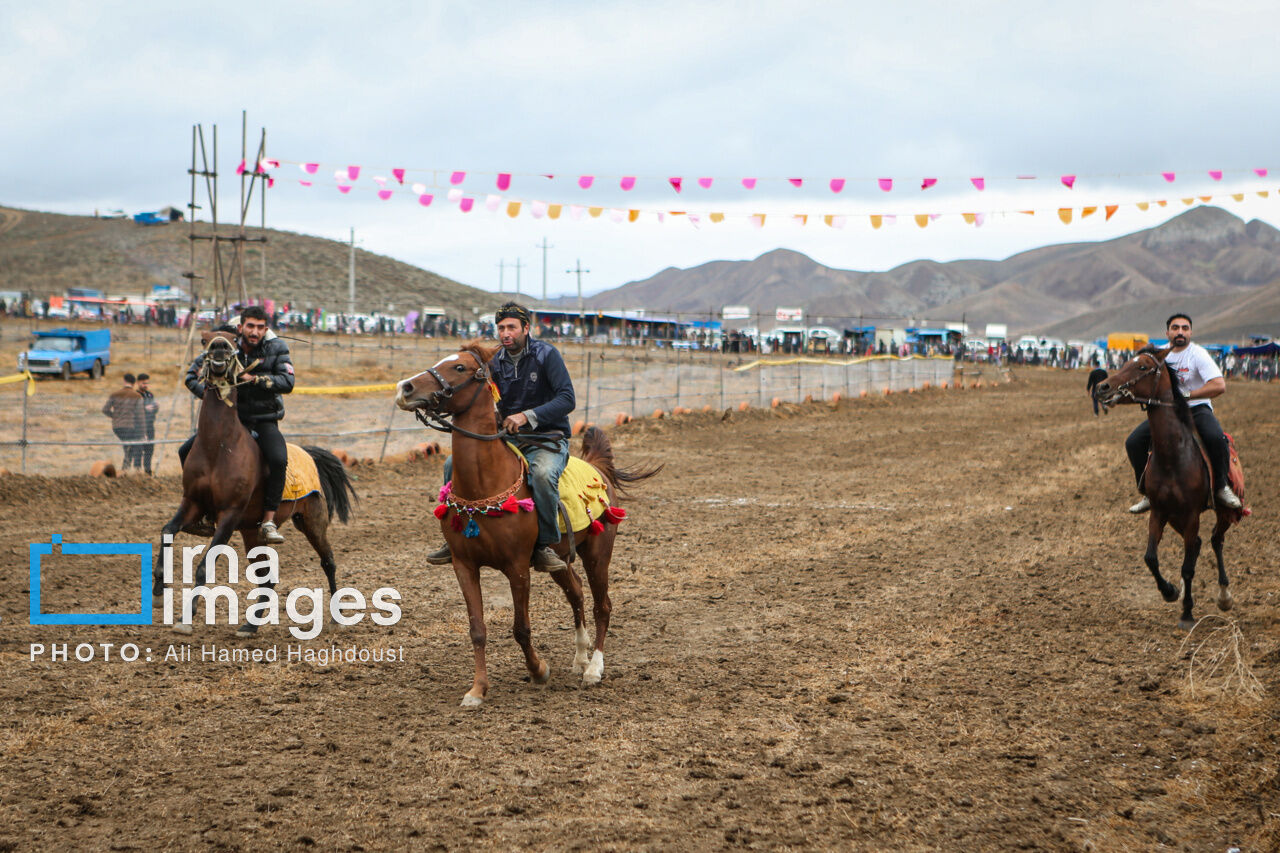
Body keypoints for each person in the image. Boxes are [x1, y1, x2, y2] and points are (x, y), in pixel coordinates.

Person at [427, 301, 575, 572]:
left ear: (526, 328)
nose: (506, 333)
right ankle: (454, 538)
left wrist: (526, 416)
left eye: (511, 327)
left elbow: (567, 398)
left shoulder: (546, 355)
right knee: (451, 465)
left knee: (542, 475)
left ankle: (543, 545)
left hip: (547, 439)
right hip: (507, 438)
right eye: (501, 328)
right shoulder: (494, 361)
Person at [178, 306, 295, 543]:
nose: (255, 331)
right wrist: (213, 398)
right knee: (184, 450)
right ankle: (199, 510)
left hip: (264, 419)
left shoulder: (277, 348)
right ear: (241, 327)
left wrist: (256, 379)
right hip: (231, 421)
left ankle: (269, 520)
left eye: (260, 327)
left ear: (266, 329)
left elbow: (288, 381)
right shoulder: (225, 345)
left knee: (278, 458)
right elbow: (191, 377)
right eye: (250, 326)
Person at [1125, 313, 1242, 514]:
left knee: (1216, 437)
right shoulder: (1159, 356)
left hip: (1197, 408)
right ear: (1167, 332)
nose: (1180, 332)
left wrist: (1187, 394)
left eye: (1185, 328)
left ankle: (1222, 487)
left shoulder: (1198, 354)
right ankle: (1147, 493)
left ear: (1190, 332)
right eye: (1176, 327)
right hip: (1168, 413)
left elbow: (1219, 385)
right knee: (1134, 442)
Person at [102, 373, 144, 471]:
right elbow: (140, 415)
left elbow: (105, 409)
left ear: (124, 381)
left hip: (116, 427)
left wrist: (115, 417)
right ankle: (125, 470)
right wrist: (143, 432)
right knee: (130, 447)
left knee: (128, 446)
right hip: (130, 426)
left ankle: (125, 469)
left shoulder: (114, 394)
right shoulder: (137, 396)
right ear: (134, 384)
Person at [135, 372, 159, 475]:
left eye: (147, 383)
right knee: (138, 449)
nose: (146, 385)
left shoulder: (150, 395)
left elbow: (152, 409)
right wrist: (144, 409)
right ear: (138, 383)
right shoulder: (135, 395)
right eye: (144, 383)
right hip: (138, 427)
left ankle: (147, 469)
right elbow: (133, 411)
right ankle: (137, 470)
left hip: (150, 425)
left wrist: (155, 407)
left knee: (149, 448)